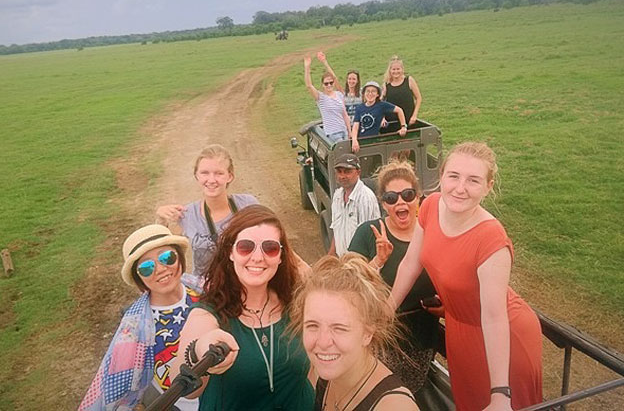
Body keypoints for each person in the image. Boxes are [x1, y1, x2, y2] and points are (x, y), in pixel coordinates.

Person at [389, 142, 543, 411]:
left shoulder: (491, 239)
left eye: (473, 180)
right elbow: (411, 263)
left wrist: (500, 393)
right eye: (454, 176)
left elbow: (494, 317)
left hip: (503, 337)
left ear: (488, 186)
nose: (460, 188)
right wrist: (386, 309)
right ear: (441, 176)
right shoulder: (431, 206)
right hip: (458, 328)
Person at [172, 205, 314, 410]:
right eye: (246, 247)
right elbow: (185, 388)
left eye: (270, 248)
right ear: (230, 252)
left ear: (281, 256)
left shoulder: (296, 303)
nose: (258, 257)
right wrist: (199, 351)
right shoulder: (207, 313)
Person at [79, 224, 200, 411]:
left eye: (167, 257)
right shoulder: (135, 330)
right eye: (146, 267)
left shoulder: (202, 289)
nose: (160, 269)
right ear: (138, 277)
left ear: (179, 257)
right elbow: (111, 390)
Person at [348, 160, 440, 393]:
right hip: (377, 341)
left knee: (407, 396)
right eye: (391, 198)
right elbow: (347, 284)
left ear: (418, 197)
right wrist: (377, 262)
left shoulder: (434, 235)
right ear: (383, 203)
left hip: (421, 340)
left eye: (407, 195)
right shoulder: (368, 233)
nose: (400, 202)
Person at [289, 254, 419, 411]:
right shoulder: (321, 370)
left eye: (339, 328)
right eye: (312, 325)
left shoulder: (394, 407)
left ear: (368, 333)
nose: (322, 342)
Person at [156, 144, 258, 284]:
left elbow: (271, 241)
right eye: (204, 173)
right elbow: (162, 253)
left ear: (230, 176)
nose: (211, 180)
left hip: (244, 284)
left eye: (219, 173)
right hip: (206, 289)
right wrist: (161, 220)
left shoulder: (248, 205)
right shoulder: (187, 215)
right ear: (196, 176)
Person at [329, 153, 380, 257]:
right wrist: (331, 255)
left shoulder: (365, 198)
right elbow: (336, 229)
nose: (342, 176)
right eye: (339, 172)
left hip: (358, 261)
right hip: (343, 260)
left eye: (347, 172)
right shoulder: (337, 195)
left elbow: (368, 238)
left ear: (358, 172)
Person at [304, 54, 352, 142]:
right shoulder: (321, 98)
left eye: (331, 83)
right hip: (333, 133)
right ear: (323, 85)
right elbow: (309, 86)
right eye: (326, 83)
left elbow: (345, 115)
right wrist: (307, 67)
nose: (329, 85)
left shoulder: (339, 95)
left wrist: (349, 131)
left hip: (344, 130)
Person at [351, 81, 406, 153]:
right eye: (368, 91)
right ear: (364, 93)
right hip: (361, 142)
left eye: (373, 91)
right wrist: (354, 140)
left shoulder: (381, 105)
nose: (370, 94)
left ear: (377, 94)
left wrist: (403, 126)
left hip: (375, 142)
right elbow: (355, 126)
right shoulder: (359, 108)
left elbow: (399, 110)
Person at [380, 56, 422, 134]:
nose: (396, 71)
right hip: (392, 122)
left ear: (402, 69)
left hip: (409, 120)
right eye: (393, 69)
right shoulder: (386, 85)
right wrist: (382, 118)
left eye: (398, 69)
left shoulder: (409, 81)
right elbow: (380, 103)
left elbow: (418, 98)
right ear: (390, 70)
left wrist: (414, 115)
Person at [315, 51, 362, 121]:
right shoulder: (343, 93)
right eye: (349, 79)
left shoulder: (362, 92)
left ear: (357, 80)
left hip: (359, 124)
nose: (351, 81)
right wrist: (325, 62)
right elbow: (334, 78)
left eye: (354, 79)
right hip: (346, 124)